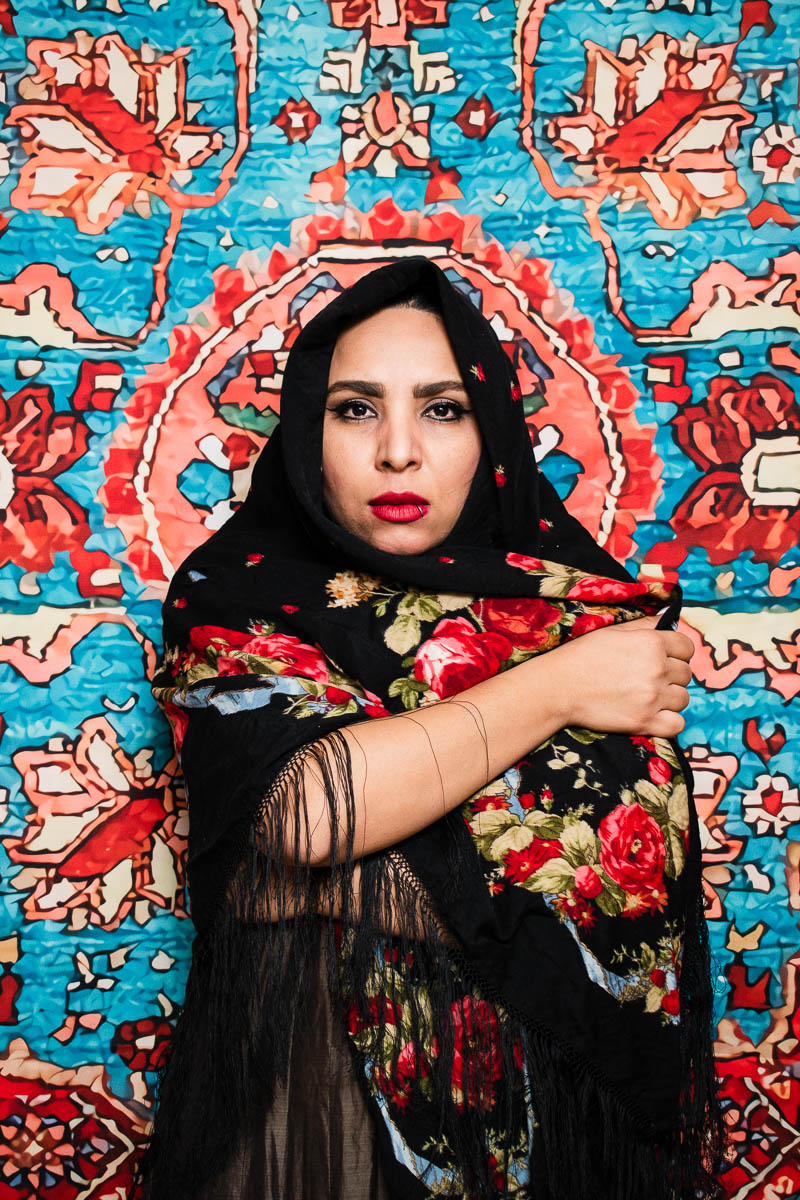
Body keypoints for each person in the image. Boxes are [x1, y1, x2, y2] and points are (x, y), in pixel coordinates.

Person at [136, 256, 726, 1200]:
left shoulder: (590, 609)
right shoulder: (237, 590)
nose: (399, 451)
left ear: (491, 431)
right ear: (303, 432)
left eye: (443, 409)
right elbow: (307, 815)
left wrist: (300, 890)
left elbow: (627, 892)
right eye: (356, 409)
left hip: (562, 1123)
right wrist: (559, 691)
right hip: (311, 1107)